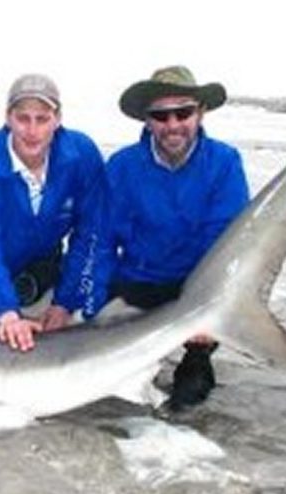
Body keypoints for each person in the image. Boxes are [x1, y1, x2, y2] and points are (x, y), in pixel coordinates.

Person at [105, 65, 249, 410]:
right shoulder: (122, 166)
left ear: (201, 113)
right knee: (108, 399)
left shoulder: (224, 163)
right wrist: (86, 306)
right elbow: (103, 241)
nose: (172, 125)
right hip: (139, 282)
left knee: (188, 400)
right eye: (161, 115)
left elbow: (225, 243)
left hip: (195, 283)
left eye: (183, 112)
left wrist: (207, 310)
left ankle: (197, 357)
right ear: (147, 120)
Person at [0, 73, 111, 351]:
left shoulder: (82, 154)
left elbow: (92, 233)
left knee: (92, 324)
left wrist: (65, 303)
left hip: (46, 273)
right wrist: (5, 312)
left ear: (57, 119)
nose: (32, 130)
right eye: (23, 118)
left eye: (42, 119)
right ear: (8, 118)